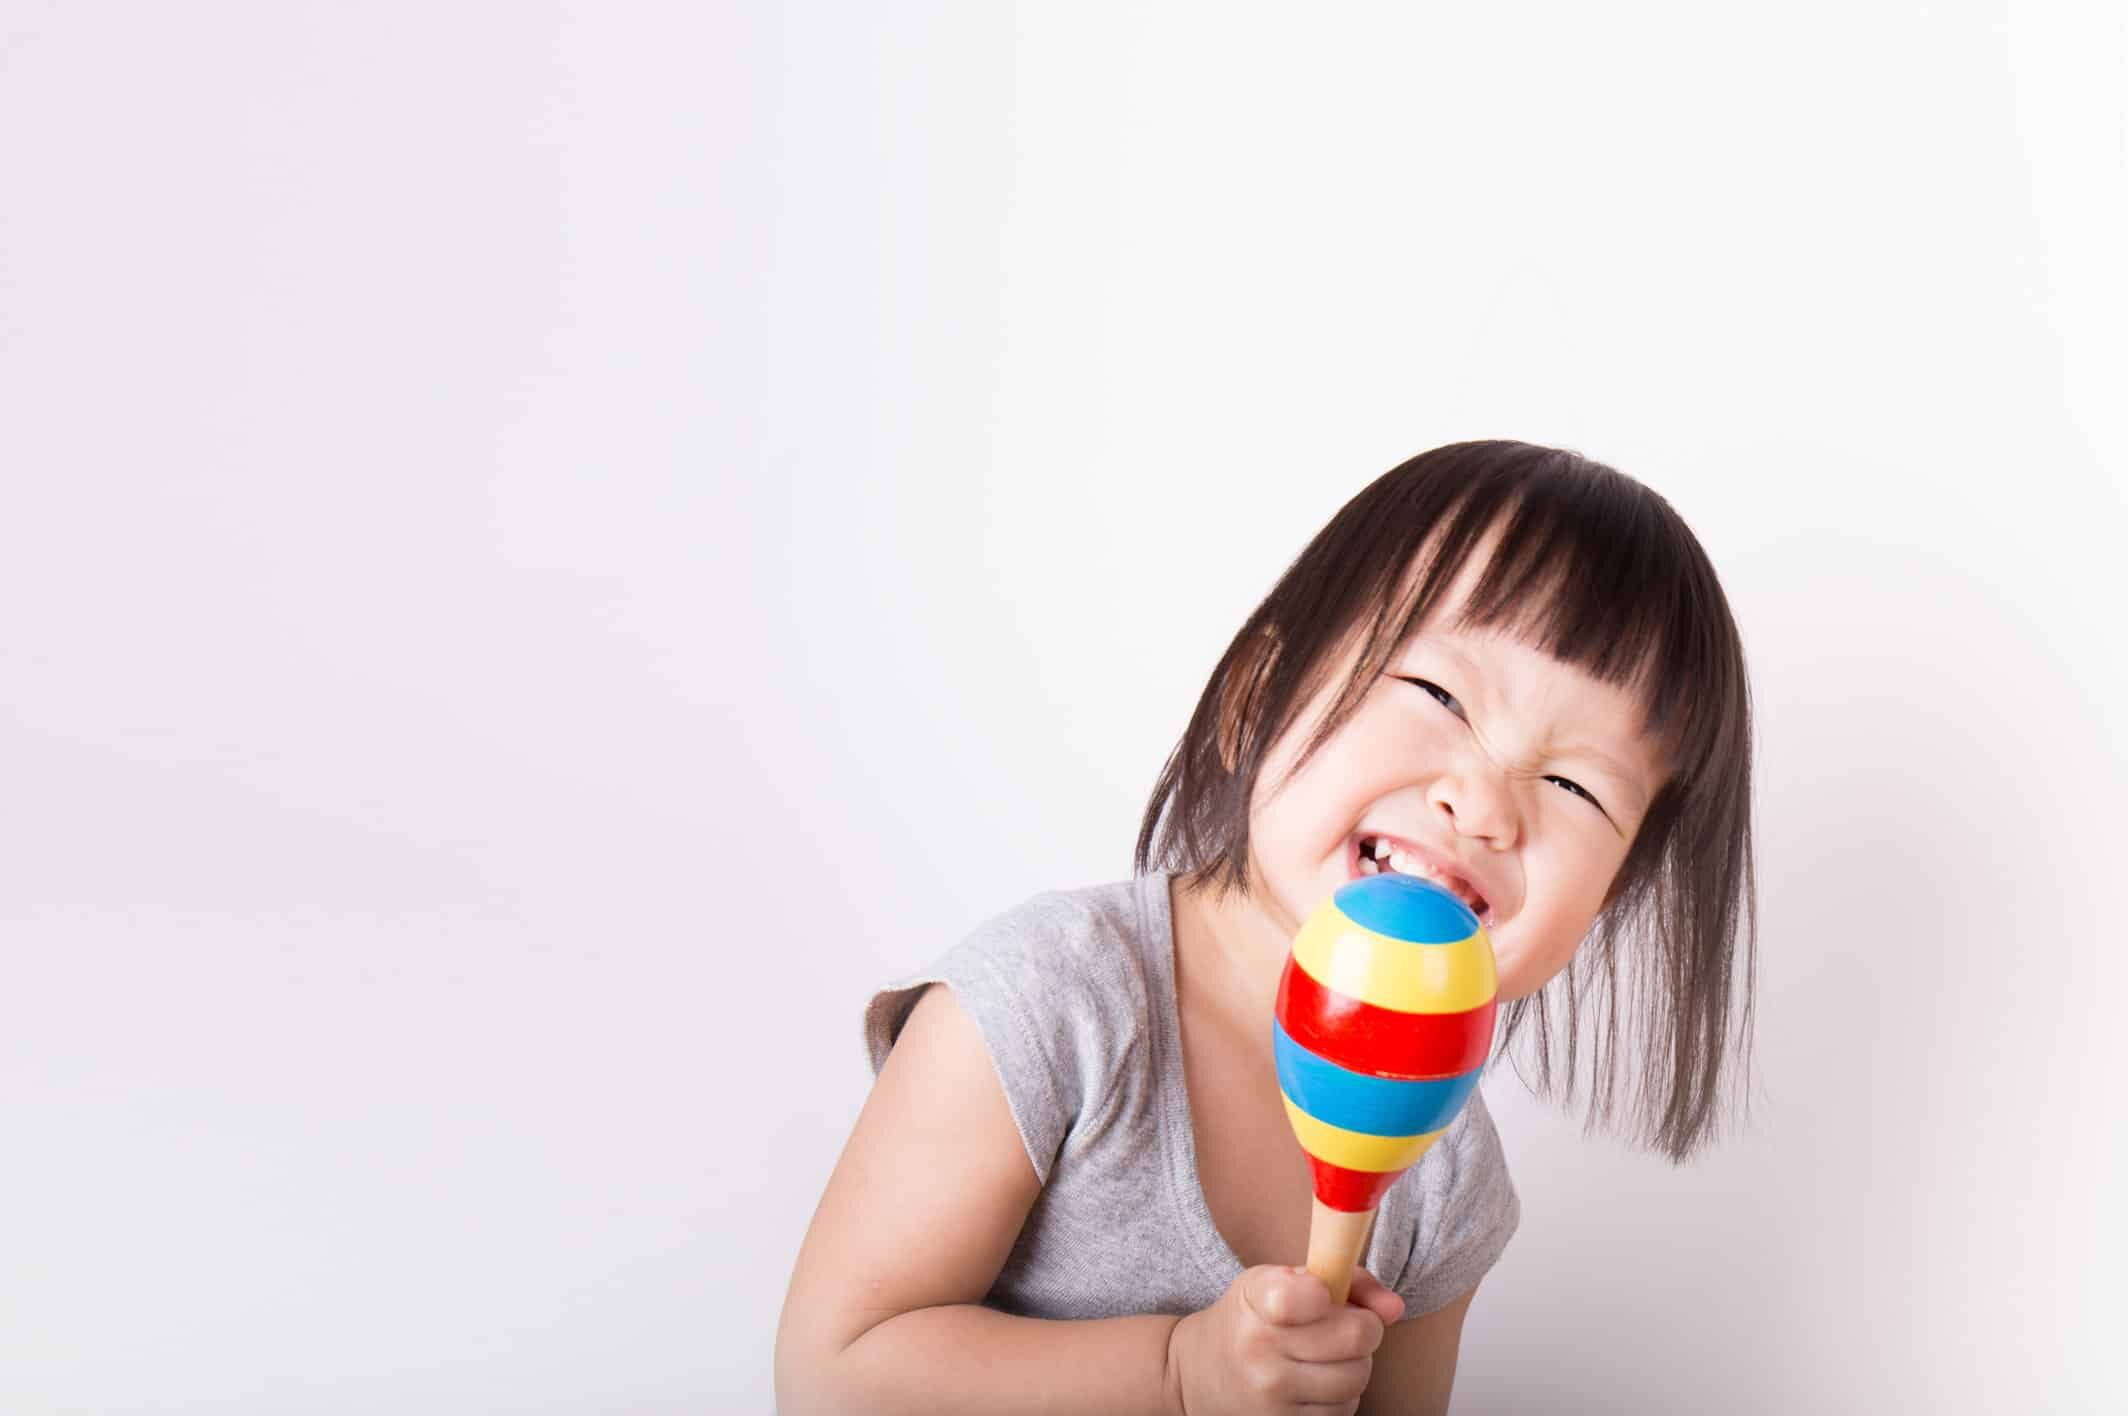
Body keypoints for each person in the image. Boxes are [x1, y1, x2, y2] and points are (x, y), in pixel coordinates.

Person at [774, 440, 1758, 1415]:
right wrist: (1174, 1374)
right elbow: (830, 1378)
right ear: (1257, 698)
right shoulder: (1051, 1004)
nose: (1485, 805)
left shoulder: (1445, 1174)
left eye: (1574, 784)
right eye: (1439, 695)